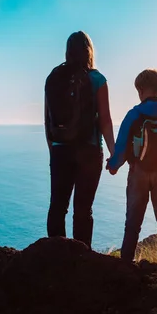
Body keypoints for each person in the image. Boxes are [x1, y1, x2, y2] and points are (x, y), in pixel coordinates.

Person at [107, 68, 157, 267]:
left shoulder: (134, 114)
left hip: (139, 174)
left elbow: (122, 145)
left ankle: (126, 264)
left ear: (140, 90)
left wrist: (113, 165)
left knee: (133, 223)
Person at [44, 31, 115, 248]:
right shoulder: (97, 79)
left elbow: (48, 122)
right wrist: (115, 153)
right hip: (89, 150)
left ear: (67, 51)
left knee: (58, 206)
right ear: (89, 51)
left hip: (60, 150)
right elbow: (105, 121)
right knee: (83, 210)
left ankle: (56, 257)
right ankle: (82, 259)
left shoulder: (53, 78)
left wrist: (53, 152)